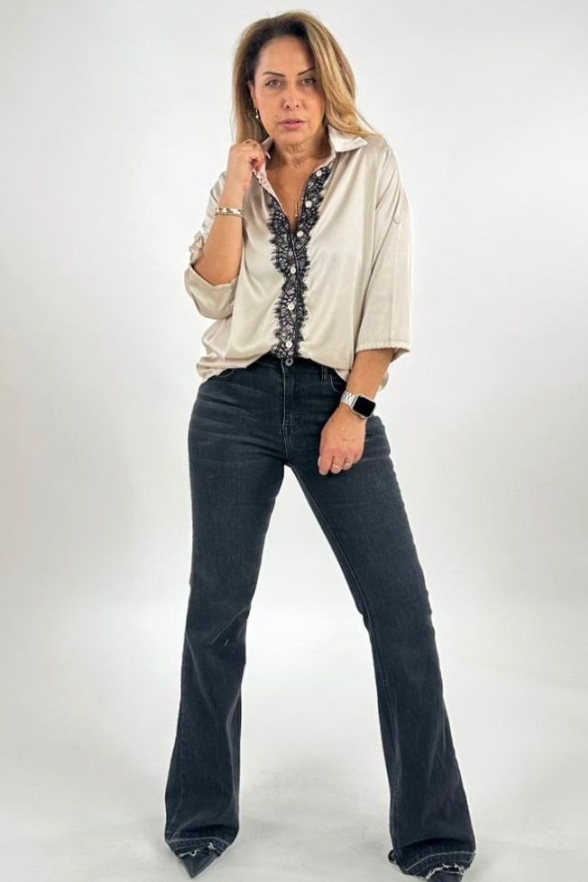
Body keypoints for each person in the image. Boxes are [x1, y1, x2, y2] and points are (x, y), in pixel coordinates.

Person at [163, 10, 476, 881]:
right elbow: (210, 291)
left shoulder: (372, 166)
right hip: (233, 406)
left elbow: (387, 292)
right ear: (252, 94)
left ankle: (434, 835)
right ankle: (199, 818)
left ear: (327, 85)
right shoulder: (240, 176)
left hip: (336, 401)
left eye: (305, 80)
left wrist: (356, 407)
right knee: (216, 614)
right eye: (273, 82)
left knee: (400, 613)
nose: (292, 98)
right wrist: (236, 185)